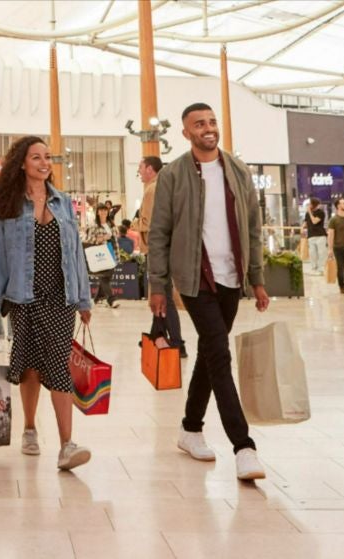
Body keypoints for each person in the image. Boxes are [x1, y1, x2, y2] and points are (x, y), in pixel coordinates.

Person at [148, 102, 270, 481]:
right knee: (219, 355)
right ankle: (243, 447)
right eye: (199, 124)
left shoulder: (237, 170)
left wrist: (257, 278)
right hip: (195, 279)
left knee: (209, 352)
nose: (208, 128)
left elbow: (252, 225)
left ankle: (189, 427)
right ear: (186, 133)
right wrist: (158, 285)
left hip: (231, 278)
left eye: (212, 121)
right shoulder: (173, 175)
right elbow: (159, 233)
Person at [0, 136, 94, 471]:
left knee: (59, 361)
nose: (44, 163)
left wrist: (84, 299)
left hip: (61, 297)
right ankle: (29, 428)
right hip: (22, 296)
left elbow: (76, 254)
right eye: (36, 157)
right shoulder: (8, 206)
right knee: (28, 364)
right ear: (22, 163)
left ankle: (67, 445)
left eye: (47, 157)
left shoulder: (62, 202)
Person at [137, 155, 185, 357]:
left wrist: (148, 247)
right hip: (163, 250)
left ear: (149, 169)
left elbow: (154, 225)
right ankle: (156, 332)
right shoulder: (161, 187)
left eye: (140, 167)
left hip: (158, 252)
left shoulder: (153, 189)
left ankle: (177, 342)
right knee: (162, 295)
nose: (139, 172)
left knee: (164, 296)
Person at [85, 204, 121, 308]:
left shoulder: (111, 224)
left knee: (107, 277)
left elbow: (115, 237)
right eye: (101, 210)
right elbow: (88, 240)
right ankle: (111, 300)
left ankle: (97, 298)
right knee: (105, 278)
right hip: (101, 254)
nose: (103, 212)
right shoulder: (94, 225)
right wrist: (101, 239)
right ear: (97, 212)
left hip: (112, 252)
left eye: (105, 210)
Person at [303, 197, 328, 275]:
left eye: (310, 204)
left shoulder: (320, 212)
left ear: (314, 204)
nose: (309, 205)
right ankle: (314, 268)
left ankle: (322, 268)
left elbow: (314, 221)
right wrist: (302, 228)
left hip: (320, 235)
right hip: (311, 235)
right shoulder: (307, 214)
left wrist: (310, 212)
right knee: (312, 253)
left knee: (321, 253)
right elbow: (306, 223)